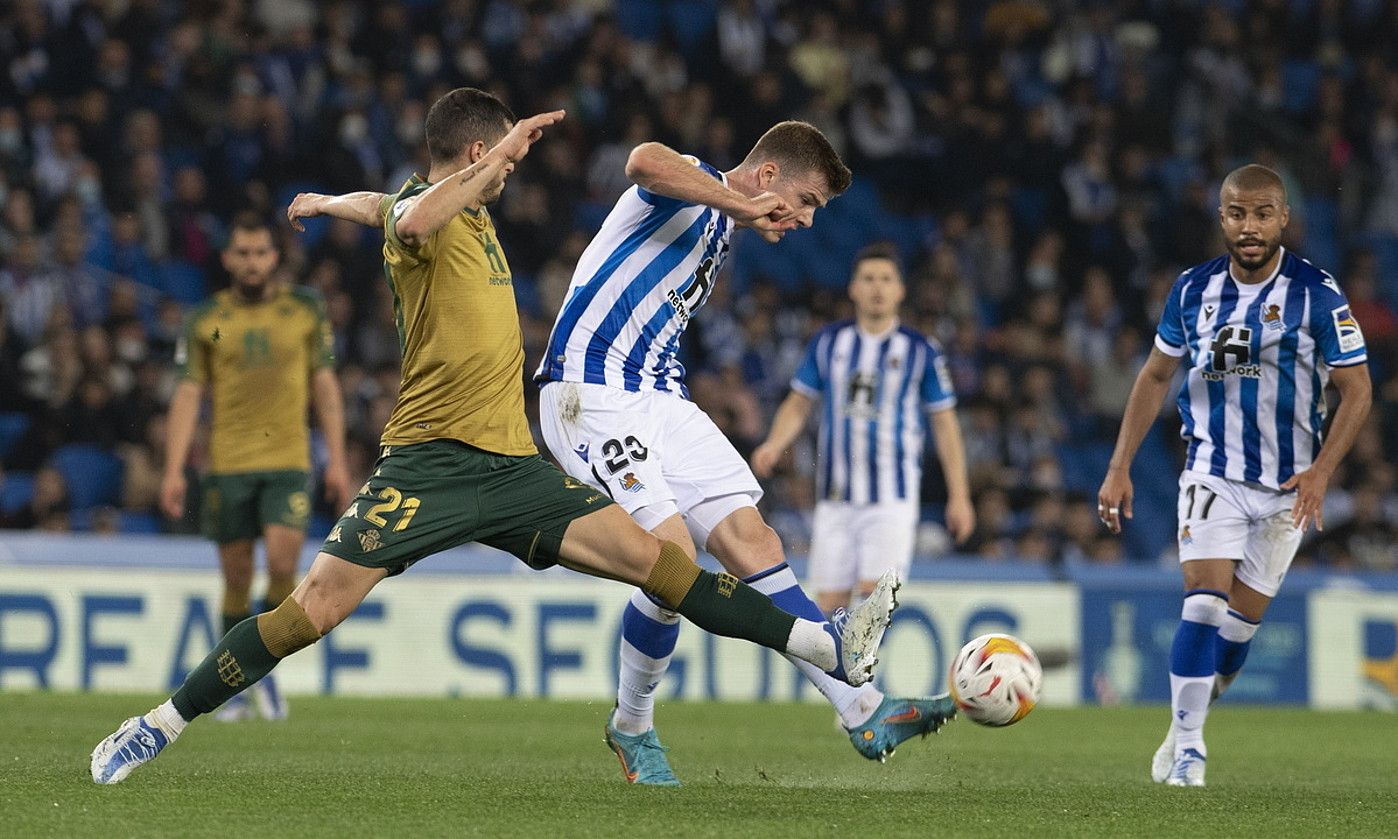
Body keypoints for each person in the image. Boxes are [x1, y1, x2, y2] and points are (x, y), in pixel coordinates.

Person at [90, 89, 894, 786]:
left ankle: (826, 651)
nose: (512, 176)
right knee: (311, 611)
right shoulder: (437, 214)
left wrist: (332, 202)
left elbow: (384, 206)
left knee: (665, 566)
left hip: (513, 468)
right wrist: (489, 161)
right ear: (479, 150)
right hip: (429, 466)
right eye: (503, 160)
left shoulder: (455, 211)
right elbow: (409, 216)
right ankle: (162, 720)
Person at [532, 122, 949, 787]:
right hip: (590, 389)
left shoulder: (724, 227)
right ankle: (632, 723)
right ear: (769, 177)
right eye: (805, 201)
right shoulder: (694, 186)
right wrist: (737, 201)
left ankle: (862, 708)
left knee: (754, 538)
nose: (807, 220)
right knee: (670, 555)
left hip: (660, 396)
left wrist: (740, 215)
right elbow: (641, 159)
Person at [1098, 164, 1372, 787]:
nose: (1249, 227)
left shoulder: (1317, 293)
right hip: (1212, 471)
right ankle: (1191, 748)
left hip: (1287, 489)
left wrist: (1323, 471)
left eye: (1262, 214)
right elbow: (1155, 378)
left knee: (1236, 635)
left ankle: (1181, 725)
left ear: (1283, 219)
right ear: (1222, 218)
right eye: (1237, 214)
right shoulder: (1192, 290)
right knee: (1202, 604)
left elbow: (1358, 391)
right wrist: (1119, 467)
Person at [161, 211, 353, 722]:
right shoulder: (205, 319)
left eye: (260, 252)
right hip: (227, 465)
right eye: (241, 253)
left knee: (286, 567)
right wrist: (173, 469)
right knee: (236, 579)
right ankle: (233, 688)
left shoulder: (306, 310)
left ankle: (260, 676)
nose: (251, 262)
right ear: (227, 259)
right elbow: (187, 394)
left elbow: (326, 389)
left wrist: (336, 460)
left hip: (289, 461)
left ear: (275, 257)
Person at [751, 243, 975, 615]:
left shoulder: (921, 351)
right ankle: (842, 676)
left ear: (900, 290)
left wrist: (960, 495)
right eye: (868, 279)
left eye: (886, 279)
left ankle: (863, 676)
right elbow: (798, 401)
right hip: (834, 499)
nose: (877, 288)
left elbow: (945, 424)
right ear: (853, 288)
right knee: (828, 611)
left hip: (891, 499)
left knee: (873, 605)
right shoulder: (828, 343)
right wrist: (775, 443)